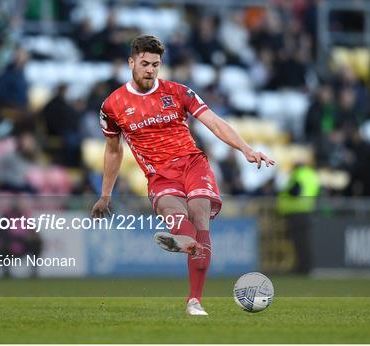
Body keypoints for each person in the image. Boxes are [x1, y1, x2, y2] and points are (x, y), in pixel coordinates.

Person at [91, 35, 274, 316]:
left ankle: (194, 300)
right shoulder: (112, 105)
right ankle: (186, 242)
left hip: (192, 164)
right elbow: (113, 151)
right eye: (144, 63)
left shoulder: (178, 92)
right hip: (159, 175)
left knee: (199, 215)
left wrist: (245, 149)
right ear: (131, 63)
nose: (150, 69)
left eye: (155, 64)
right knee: (174, 214)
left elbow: (212, 121)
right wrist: (105, 194)